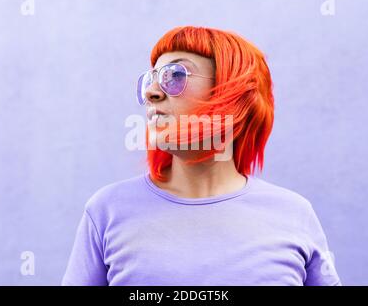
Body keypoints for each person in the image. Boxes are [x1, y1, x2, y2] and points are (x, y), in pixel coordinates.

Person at [61, 26, 341, 286]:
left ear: (235, 94)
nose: (151, 92)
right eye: (151, 79)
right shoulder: (107, 211)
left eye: (175, 75)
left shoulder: (293, 214)